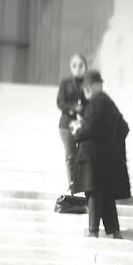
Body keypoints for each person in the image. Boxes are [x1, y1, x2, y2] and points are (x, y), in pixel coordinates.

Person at [71, 69, 130, 240]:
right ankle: (115, 231)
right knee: (106, 196)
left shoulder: (96, 102)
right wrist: (111, 145)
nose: (86, 90)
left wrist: (77, 130)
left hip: (92, 159)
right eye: (85, 87)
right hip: (105, 159)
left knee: (94, 194)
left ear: (97, 85)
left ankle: (93, 231)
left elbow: (88, 129)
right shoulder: (108, 102)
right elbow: (123, 128)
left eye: (89, 86)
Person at [55, 52, 87, 194]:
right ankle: (73, 187)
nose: (77, 68)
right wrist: (74, 109)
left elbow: (92, 102)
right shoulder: (65, 82)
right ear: (71, 67)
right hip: (67, 125)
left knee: (83, 155)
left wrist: (84, 111)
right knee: (70, 156)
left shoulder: (88, 83)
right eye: (74, 65)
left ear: (85, 67)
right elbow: (60, 102)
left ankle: (83, 185)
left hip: (84, 124)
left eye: (81, 65)